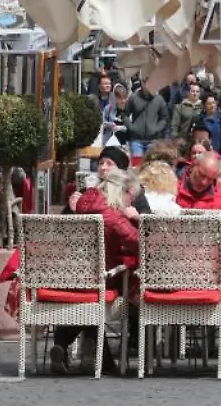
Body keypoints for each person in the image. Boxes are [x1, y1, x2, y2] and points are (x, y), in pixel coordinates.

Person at [51, 168, 142, 374]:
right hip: (100, 279)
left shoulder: (80, 206)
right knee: (111, 290)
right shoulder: (113, 217)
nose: (131, 203)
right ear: (124, 192)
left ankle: (63, 346)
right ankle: (97, 355)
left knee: (89, 297)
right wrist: (137, 219)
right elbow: (140, 244)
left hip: (67, 277)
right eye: (131, 198)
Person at [125, 83, 169, 158]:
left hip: (153, 140)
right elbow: (124, 114)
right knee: (137, 164)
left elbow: (164, 117)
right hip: (136, 139)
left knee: (150, 165)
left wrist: (157, 128)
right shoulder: (133, 97)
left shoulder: (159, 99)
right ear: (142, 84)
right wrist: (131, 127)